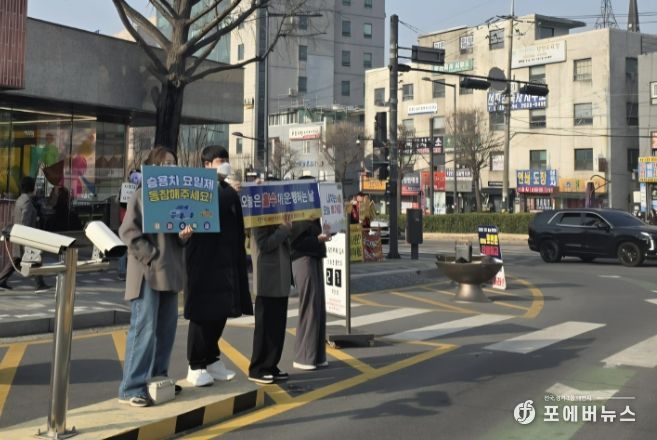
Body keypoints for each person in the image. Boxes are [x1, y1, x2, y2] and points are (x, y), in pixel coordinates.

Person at [118, 147, 193, 408]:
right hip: (147, 273)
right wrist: (150, 255)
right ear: (153, 167)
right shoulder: (142, 194)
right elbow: (128, 232)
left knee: (166, 330)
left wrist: (184, 237)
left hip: (170, 271)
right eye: (165, 163)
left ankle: (158, 379)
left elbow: (179, 238)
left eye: (173, 162)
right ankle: (132, 387)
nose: (171, 167)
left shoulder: (176, 198)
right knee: (144, 329)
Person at [183, 145, 252, 387]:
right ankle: (195, 365)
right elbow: (207, 210)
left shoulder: (228, 189)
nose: (224, 164)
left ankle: (211, 359)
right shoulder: (198, 187)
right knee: (203, 313)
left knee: (221, 311)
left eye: (225, 159)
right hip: (204, 260)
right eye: (219, 161)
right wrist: (230, 192)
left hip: (226, 259)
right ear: (206, 165)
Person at [248, 192, 293, 384]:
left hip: (281, 276)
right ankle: (258, 368)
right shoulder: (259, 215)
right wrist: (284, 229)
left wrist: (287, 228)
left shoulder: (280, 214)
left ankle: (271, 364)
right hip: (267, 278)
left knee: (278, 325)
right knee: (265, 326)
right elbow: (264, 244)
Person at [290, 177, 330, 371]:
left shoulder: (313, 212)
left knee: (318, 306)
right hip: (303, 259)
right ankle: (304, 356)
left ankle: (317, 355)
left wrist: (326, 234)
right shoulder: (299, 214)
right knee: (310, 307)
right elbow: (296, 242)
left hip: (314, 256)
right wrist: (318, 239)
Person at [0, 176, 51, 292]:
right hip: (26, 237)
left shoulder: (20, 199)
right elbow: (25, 221)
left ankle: (1, 281)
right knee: (34, 259)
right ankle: (40, 284)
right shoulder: (27, 202)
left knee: (16, 260)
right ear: (31, 188)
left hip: (19, 235)